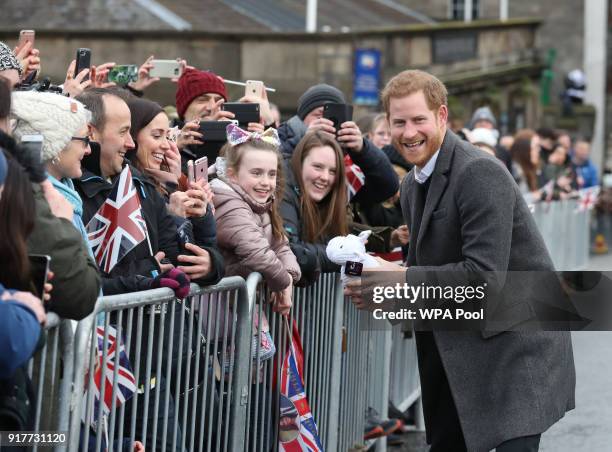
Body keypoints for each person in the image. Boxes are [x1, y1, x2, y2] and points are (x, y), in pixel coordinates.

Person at [346, 69, 575, 452]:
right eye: (398, 122)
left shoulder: (479, 172)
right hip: (460, 348)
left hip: (517, 349)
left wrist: (399, 280)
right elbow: (429, 276)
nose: (407, 132)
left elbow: (484, 280)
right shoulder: (411, 185)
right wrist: (385, 292)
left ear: (441, 116)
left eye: (418, 119)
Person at [0, 79, 100, 320]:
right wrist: (64, 223)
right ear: (55, 146)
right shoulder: (31, 193)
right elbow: (81, 291)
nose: (89, 150)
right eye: (83, 140)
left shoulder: (65, 193)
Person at [125, 96, 224, 283]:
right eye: (156, 136)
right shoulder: (128, 188)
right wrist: (176, 217)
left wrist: (211, 263)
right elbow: (174, 261)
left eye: (168, 136)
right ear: (132, 136)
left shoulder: (166, 184)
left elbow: (202, 255)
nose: (166, 145)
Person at [211, 124, 301, 312]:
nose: (266, 182)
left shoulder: (259, 204)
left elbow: (280, 245)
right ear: (232, 174)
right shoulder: (229, 203)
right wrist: (283, 282)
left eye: (272, 174)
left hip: (243, 308)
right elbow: (257, 252)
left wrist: (290, 275)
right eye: (256, 173)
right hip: (222, 311)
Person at [281, 130, 349, 274]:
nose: (325, 177)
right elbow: (291, 249)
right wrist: (345, 257)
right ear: (299, 164)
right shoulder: (282, 189)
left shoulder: (330, 201)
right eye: (318, 167)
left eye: (332, 171)